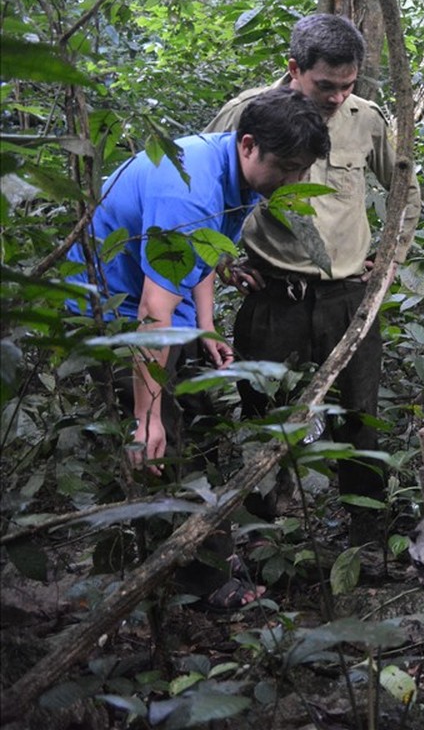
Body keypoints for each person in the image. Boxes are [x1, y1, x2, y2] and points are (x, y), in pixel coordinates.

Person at [66, 88, 331, 608]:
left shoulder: (231, 169)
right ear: (249, 145)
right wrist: (146, 416)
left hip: (167, 311)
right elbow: (153, 312)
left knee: (207, 429)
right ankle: (202, 582)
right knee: (167, 448)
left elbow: (204, 253)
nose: (293, 182)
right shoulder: (187, 190)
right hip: (117, 316)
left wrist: (208, 329)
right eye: (289, 168)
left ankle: (223, 545)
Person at [205, 13, 422, 546]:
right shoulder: (246, 112)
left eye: (347, 86)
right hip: (273, 295)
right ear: (294, 69)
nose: (336, 97)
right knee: (263, 414)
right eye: (325, 86)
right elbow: (203, 187)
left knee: (359, 415)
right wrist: (221, 261)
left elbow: (404, 190)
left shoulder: (365, 118)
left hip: (349, 294)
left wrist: (388, 260)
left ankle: (368, 535)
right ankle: (260, 535)